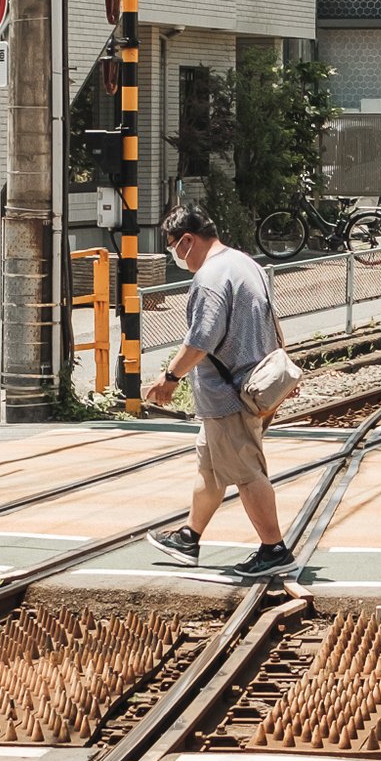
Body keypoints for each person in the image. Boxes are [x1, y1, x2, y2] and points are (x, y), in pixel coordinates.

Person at [144, 199, 293, 579]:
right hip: (253, 385)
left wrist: (169, 379)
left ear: (188, 240)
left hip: (231, 395)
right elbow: (270, 320)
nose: (174, 254)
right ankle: (189, 538)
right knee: (210, 469)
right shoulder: (246, 263)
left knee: (246, 472)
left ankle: (273, 548)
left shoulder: (210, 278)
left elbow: (200, 341)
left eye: (173, 245)